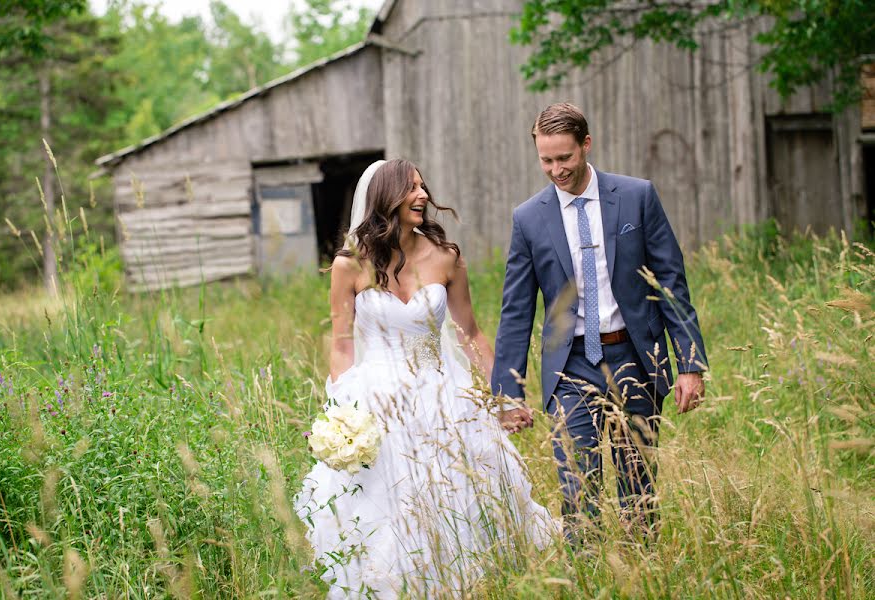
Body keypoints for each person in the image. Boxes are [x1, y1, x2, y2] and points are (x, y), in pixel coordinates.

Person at [295, 158, 555, 598]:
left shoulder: (446, 257)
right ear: (386, 199)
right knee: (387, 511)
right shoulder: (349, 265)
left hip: (442, 397)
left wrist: (506, 397)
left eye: (422, 187)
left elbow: (470, 334)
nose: (422, 195)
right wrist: (341, 413)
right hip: (377, 404)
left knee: (460, 500)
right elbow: (341, 344)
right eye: (411, 188)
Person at [491, 103, 708, 541]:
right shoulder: (528, 218)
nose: (556, 170)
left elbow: (670, 282)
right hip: (570, 367)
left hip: (633, 357)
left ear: (586, 145)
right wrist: (508, 392)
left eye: (564, 158)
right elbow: (516, 309)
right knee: (577, 490)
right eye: (546, 160)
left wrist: (688, 363)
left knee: (638, 488)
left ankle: (642, 571)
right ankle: (585, 576)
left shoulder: (636, 196)